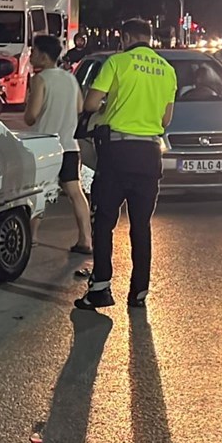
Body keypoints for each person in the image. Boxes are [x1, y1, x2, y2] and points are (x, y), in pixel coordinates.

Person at [76, 19, 176, 311]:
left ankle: (101, 288)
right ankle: (140, 291)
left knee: (104, 222)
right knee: (141, 226)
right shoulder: (167, 71)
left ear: (128, 37)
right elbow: (164, 120)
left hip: (117, 153)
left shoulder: (117, 62)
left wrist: (111, 106)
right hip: (149, 156)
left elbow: (91, 104)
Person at [24, 35, 92, 254]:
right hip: (69, 145)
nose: (31, 55)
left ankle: (32, 237)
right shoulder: (70, 78)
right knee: (75, 191)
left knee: (38, 191)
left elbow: (31, 115)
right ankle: (85, 239)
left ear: (44, 56)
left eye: (34, 52)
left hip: (45, 147)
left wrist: (29, 109)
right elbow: (80, 107)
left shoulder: (40, 79)